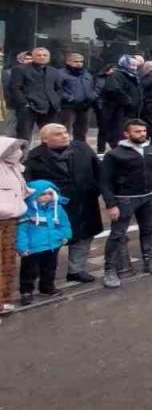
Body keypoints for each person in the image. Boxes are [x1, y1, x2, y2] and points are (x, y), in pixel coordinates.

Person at [23, 124, 102, 283]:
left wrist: (96, 190)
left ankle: (76, 270)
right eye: (58, 134)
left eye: (66, 132)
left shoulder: (82, 148)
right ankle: (44, 279)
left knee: (84, 237)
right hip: (54, 208)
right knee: (51, 240)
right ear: (45, 139)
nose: (65, 136)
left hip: (85, 201)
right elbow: (28, 184)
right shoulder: (34, 158)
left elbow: (99, 171)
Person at [99, 119, 152, 288]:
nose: (142, 134)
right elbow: (104, 181)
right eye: (137, 132)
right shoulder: (114, 154)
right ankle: (109, 270)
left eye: (144, 131)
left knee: (148, 231)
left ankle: (149, 261)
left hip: (149, 197)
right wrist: (111, 204)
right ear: (126, 134)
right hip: (125, 199)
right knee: (117, 235)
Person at [15, 179, 71, 305]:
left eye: (50, 194)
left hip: (53, 245)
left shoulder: (57, 208)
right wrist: (22, 247)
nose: (47, 196)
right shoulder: (27, 211)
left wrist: (65, 235)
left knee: (50, 268)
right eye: (43, 194)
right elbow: (21, 231)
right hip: (33, 248)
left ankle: (47, 287)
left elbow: (64, 223)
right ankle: (26, 291)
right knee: (29, 271)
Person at [6, 47, 61, 142]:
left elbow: (59, 88)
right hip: (29, 108)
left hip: (49, 109)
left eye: (45, 55)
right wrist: (24, 104)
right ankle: (23, 157)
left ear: (49, 57)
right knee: (24, 138)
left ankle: (47, 156)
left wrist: (56, 101)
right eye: (38, 55)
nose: (42, 57)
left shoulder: (54, 71)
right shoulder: (20, 69)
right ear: (33, 56)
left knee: (50, 137)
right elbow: (15, 88)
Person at [0, 137, 26, 313]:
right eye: (12, 149)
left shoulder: (15, 169)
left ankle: (3, 299)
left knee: (8, 262)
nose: (17, 152)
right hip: (3, 217)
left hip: (12, 219)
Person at [59, 53, 97, 143]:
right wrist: (69, 98)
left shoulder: (86, 74)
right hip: (68, 106)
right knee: (65, 130)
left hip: (85, 106)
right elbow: (57, 89)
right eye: (75, 61)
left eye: (81, 61)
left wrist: (92, 96)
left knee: (82, 130)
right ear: (68, 61)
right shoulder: (60, 73)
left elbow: (92, 87)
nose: (79, 63)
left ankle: (80, 150)